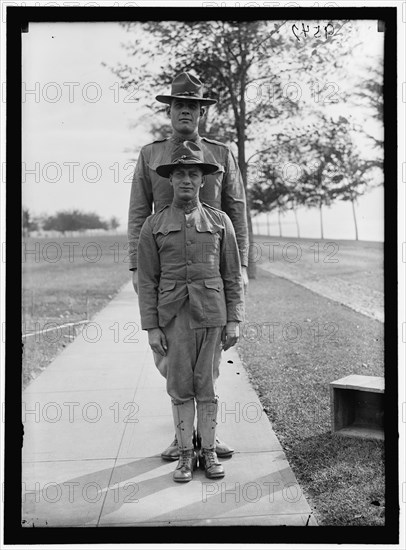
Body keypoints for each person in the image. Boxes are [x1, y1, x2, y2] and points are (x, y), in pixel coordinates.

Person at [128, 71, 249, 460]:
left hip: (209, 275)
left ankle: (206, 439)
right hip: (166, 272)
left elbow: (236, 212)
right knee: (171, 363)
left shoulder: (221, 154)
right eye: (179, 105)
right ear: (170, 111)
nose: (185, 113)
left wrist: (241, 265)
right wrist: (136, 268)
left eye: (192, 107)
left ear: (202, 113)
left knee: (209, 365)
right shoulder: (151, 155)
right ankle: (184, 439)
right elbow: (137, 214)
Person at [137, 141, 244, 482]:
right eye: (180, 173)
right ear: (170, 180)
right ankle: (186, 456)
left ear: (203, 180)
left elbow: (231, 275)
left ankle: (208, 452)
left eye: (193, 174)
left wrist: (234, 319)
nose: (186, 180)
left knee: (207, 386)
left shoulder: (220, 221)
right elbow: (148, 281)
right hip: (173, 318)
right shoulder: (153, 225)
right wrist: (152, 327)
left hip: (211, 314)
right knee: (180, 387)